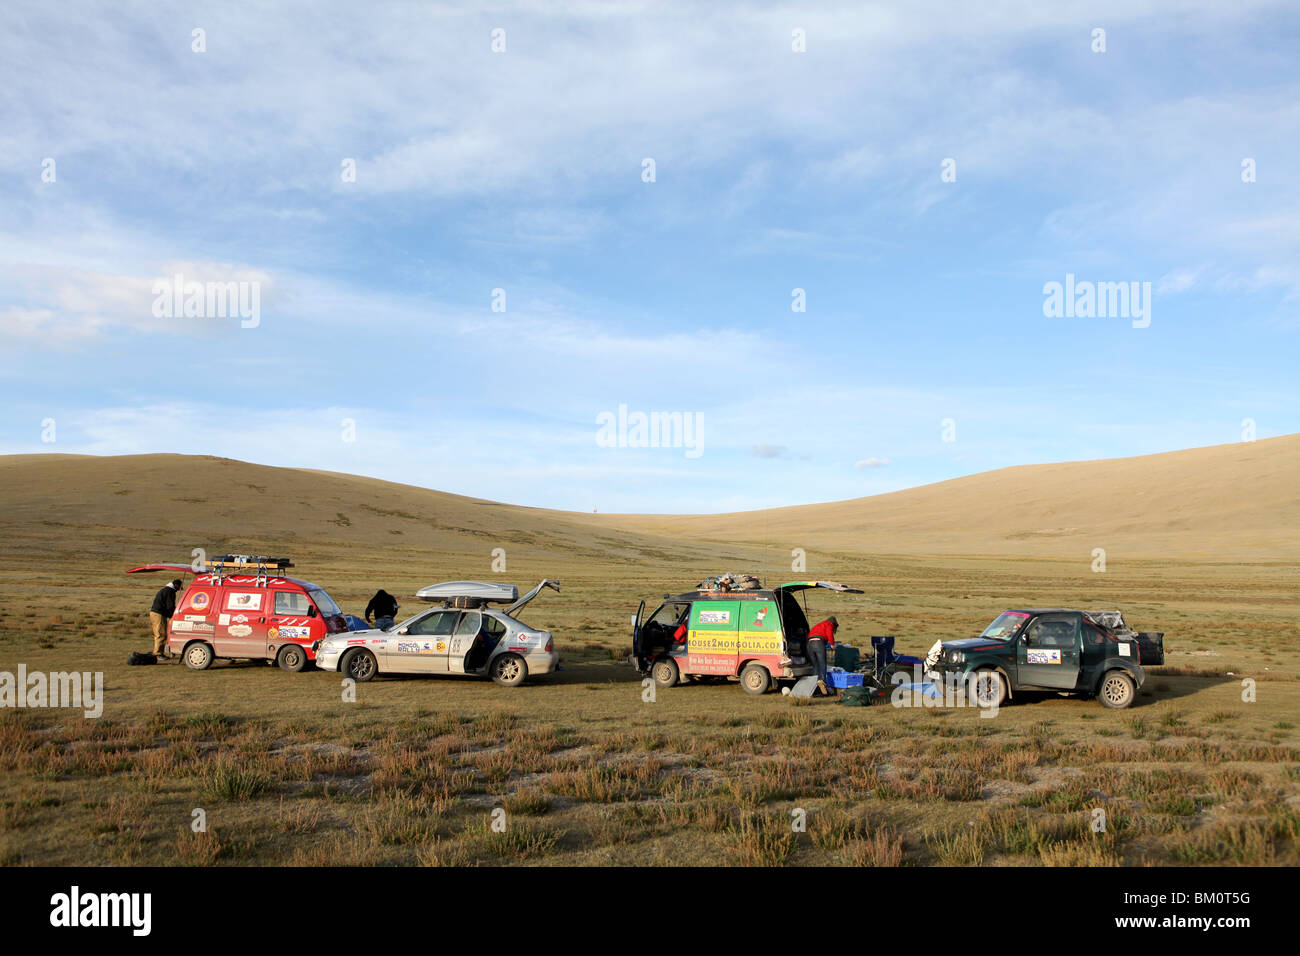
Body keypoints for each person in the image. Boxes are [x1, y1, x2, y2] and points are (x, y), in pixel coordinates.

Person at [150, 578, 183, 659]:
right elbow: (170, 606)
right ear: (176, 585)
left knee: (159, 633)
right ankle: (158, 654)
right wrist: (174, 616)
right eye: (180, 587)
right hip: (158, 614)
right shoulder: (170, 592)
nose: (180, 589)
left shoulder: (166, 590)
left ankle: (158, 652)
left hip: (155, 613)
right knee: (161, 634)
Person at [806, 616, 838, 695]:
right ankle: (822, 681)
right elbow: (829, 632)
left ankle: (814, 686)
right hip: (818, 643)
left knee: (815, 665)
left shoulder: (819, 625)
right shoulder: (829, 624)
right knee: (822, 664)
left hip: (809, 644)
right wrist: (832, 644)